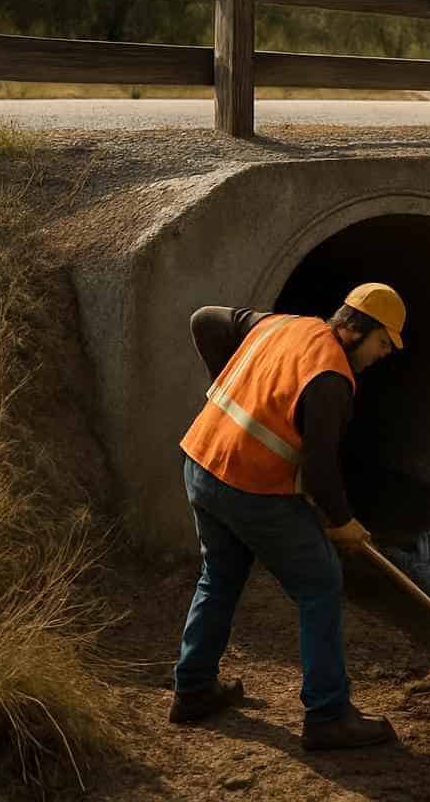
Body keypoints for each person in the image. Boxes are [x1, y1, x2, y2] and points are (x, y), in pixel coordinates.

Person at [168, 283, 406, 751]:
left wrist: (227, 391)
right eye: (383, 343)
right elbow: (320, 467)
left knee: (219, 574)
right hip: (248, 484)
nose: (384, 355)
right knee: (320, 582)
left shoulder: (281, 324)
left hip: (201, 460)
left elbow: (204, 317)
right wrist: (343, 524)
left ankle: (193, 689)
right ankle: (328, 715)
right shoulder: (332, 377)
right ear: (356, 328)